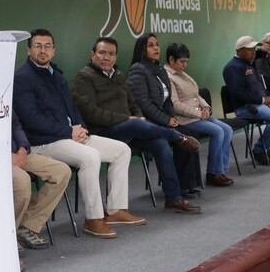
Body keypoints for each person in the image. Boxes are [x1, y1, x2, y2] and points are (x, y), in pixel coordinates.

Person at [13, 29, 147, 239]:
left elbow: (73, 108)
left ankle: (116, 210)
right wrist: (68, 131)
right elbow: (32, 119)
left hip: (70, 136)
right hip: (44, 141)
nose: (43, 50)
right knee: (91, 157)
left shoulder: (56, 75)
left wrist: (81, 129)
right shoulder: (22, 78)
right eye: (37, 46)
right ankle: (93, 218)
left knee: (122, 150)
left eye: (47, 46)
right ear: (29, 50)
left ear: (54, 51)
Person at [70, 36, 203, 213]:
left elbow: (133, 103)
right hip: (103, 133)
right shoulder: (84, 78)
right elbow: (91, 113)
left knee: (160, 144)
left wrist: (138, 117)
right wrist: (127, 120)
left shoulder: (117, 76)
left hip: (130, 129)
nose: (106, 57)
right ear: (92, 54)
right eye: (102, 53)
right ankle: (177, 136)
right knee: (138, 126)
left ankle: (174, 198)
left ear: (116, 57)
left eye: (111, 54)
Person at [126, 33, 207, 194]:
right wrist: (166, 120)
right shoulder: (137, 70)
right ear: (142, 49)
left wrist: (172, 116)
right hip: (148, 122)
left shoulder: (159, 69)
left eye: (157, 44)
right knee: (181, 138)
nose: (156, 48)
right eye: (150, 45)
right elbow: (144, 104)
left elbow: (168, 98)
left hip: (163, 120)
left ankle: (189, 183)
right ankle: (180, 186)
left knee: (189, 133)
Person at [163, 42, 235, 185]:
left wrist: (206, 107)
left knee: (227, 129)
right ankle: (213, 173)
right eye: (182, 62)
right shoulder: (168, 77)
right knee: (218, 132)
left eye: (186, 62)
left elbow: (196, 95)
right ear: (171, 60)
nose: (185, 65)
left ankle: (221, 170)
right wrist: (198, 113)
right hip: (185, 120)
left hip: (199, 116)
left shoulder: (182, 74)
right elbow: (175, 105)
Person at [222, 36, 270, 166]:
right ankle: (259, 150)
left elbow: (261, 85)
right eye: (249, 49)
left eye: (254, 49)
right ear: (239, 50)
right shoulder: (232, 67)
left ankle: (268, 147)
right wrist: (262, 99)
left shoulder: (250, 64)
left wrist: (269, 97)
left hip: (261, 103)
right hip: (246, 107)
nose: (253, 52)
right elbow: (237, 93)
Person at [11, 113, 70, 250]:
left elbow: (15, 124)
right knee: (22, 180)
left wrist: (23, 148)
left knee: (61, 171)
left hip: (18, 153)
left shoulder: (0, 94)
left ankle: (27, 225)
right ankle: (7, 233)